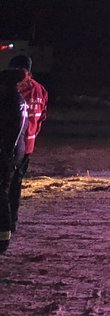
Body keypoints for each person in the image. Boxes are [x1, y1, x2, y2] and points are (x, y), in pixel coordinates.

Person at [1, 55, 48, 254]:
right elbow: (43, 115)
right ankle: (13, 222)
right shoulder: (40, 89)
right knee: (16, 185)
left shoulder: (15, 91)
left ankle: (7, 227)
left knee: (5, 188)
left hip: (11, 147)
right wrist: (33, 135)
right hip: (27, 145)